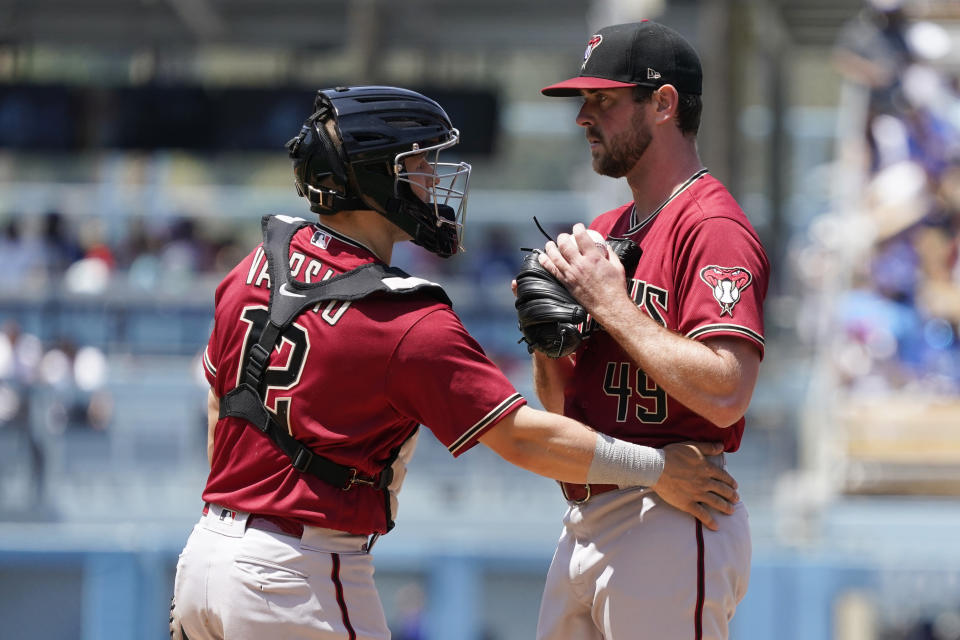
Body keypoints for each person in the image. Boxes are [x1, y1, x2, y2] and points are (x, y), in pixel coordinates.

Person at [169, 85, 740, 640]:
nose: (432, 181)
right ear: (375, 174)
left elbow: (222, 403)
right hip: (297, 575)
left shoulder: (253, 268)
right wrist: (658, 469)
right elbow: (521, 438)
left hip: (204, 559)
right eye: (419, 164)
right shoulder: (403, 315)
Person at [532, 20, 769, 640]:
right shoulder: (607, 228)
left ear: (663, 103)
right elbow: (562, 409)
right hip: (587, 513)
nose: (584, 116)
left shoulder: (711, 226)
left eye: (604, 100)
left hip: (668, 516)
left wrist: (610, 305)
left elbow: (727, 392)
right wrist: (545, 343)